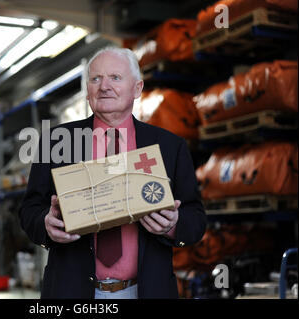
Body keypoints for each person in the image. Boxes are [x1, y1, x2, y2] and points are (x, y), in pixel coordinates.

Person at [18, 46, 206, 298]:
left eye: (115, 78)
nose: (104, 86)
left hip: (145, 291)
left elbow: (195, 217)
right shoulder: (56, 142)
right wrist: (45, 224)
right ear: (88, 92)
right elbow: (29, 209)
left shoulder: (169, 147)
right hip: (73, 292)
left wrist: (173, 225)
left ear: (137, 89)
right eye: (96, 79)